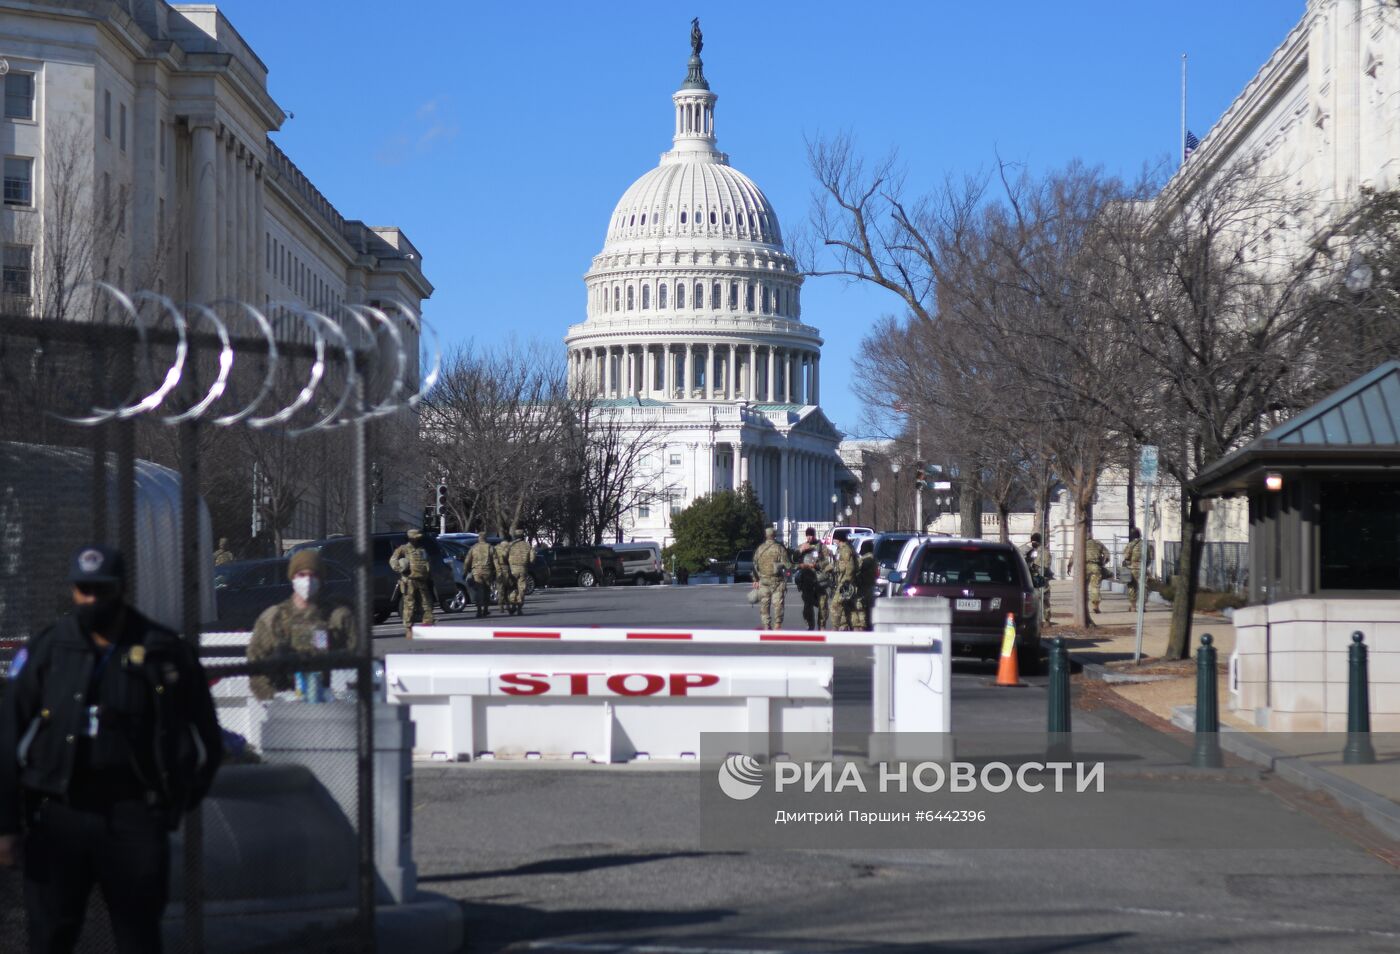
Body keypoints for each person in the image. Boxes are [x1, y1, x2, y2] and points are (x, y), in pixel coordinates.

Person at [0, 544, 222, 953]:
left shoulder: (161, 649)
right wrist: (7, 825)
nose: (91, 600)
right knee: (50, 935)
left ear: (120, 589)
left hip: (133, 816)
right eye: (83, 589)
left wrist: (174, 804)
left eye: (100, 590)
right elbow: (8, 734)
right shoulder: (49, 649)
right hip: (58, 813)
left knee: (138, 935)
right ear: (72, 591)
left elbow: (208, 737)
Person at [246, 548, 354, 700]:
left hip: (332, 703)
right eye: (301, 575)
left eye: (313, 575)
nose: (308, 581)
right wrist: (273, 699)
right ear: (292, 577)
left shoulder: (339, 617)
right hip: (285, 704)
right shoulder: (273, 618)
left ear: (321, 579)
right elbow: (256, 664)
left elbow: (357, 661)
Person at [389, 529, 435, 638]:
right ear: (411, 538)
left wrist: (428, 575)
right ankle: (409, 628)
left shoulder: (422, 550)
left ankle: (427, 625)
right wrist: (400, 568)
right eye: (416, 537)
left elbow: (427, 563)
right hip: (409, 581)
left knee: (426, 604)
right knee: (409, 605)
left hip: (422, 581)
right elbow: (393, 560)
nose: (418, 539)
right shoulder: (403, 549)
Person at [751, 527, 790, 630]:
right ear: (774, 535)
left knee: (764, 604)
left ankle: (766, 625)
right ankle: (777, 625)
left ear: (766, 535)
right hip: (776, 582)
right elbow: (787, 565)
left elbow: (754, 565)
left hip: (763, 581)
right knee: (778, 604)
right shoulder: (779, 548)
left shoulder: (760, 549)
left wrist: (755, 580)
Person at [830, 528, 859, 632]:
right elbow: (838, 565)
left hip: (846, 582)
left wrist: (846, 583)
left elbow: (850, 568)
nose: (834, 541)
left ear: (839, 539)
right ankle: (845, 626)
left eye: (835, 539)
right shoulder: (840, 549)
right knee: (846, 605)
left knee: (835, 604)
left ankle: (835, 627)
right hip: (842, 581)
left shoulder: (846, 550)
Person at [1022, 532, 1053, 625]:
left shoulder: (1030, 551)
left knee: (1034, 600)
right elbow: (1047, 566)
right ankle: (1047, 619)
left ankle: (1037, 619)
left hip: (1034, 579)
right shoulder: (1046, 552)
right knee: (1045, 600)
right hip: (1042, 579)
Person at [463, 535, 497, 618]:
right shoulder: (490, 547)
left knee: (478, 590)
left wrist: (465, 572)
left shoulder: (473, 548)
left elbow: (467, 561)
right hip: (487, 572)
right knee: (486, 590)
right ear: (485, 539)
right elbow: (495, 560)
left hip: (476, 572)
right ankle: (485, 609)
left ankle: (479, 610)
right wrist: (497, 571)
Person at [506, 529, 536, 617]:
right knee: (521, 589)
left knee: (512, 588)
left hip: (512, 569)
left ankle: (512, 603)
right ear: (523, 536)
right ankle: (519, 608)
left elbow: (504, 556)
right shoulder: (527, 546)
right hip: (523, 569)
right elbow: (532, 559)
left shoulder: (510, 546)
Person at [852, 543, 879, 631]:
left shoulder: (865, 560)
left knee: (860, 606)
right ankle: (869, 625)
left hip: (863, 587)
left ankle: (862, 626)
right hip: (870, 586)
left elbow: (856, 570)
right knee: (869, 606)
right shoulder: (874, 559)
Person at [1082, 535, 1109, 614]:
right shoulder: (1098, 543)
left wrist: (1069, 566)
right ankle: (1095, 606)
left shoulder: (1082, 543)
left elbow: (1074, 556)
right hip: (1096, 566)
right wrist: (1103, 563)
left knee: (1083, 587)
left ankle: (1083, 605)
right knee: (1095, 587)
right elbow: (1107, 555)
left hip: (1084, 567)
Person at [1123, 527, 1146, 607]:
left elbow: (1126, 556)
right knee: (1143, 587)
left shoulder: (1130, 544)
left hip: (1132, 568)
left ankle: (1133, 606)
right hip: (1143, 568)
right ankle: (1143, 606)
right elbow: (1150, 557)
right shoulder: (1145, 544)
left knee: (1132, 586)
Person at [493, 534, 516, 613]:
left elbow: (493, 559)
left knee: (500, 589)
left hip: (498, 570)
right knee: (510, 588)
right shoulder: (510, 547)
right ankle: (509, 605)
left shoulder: (496, 547)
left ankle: (501, 607)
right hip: (507, 569)